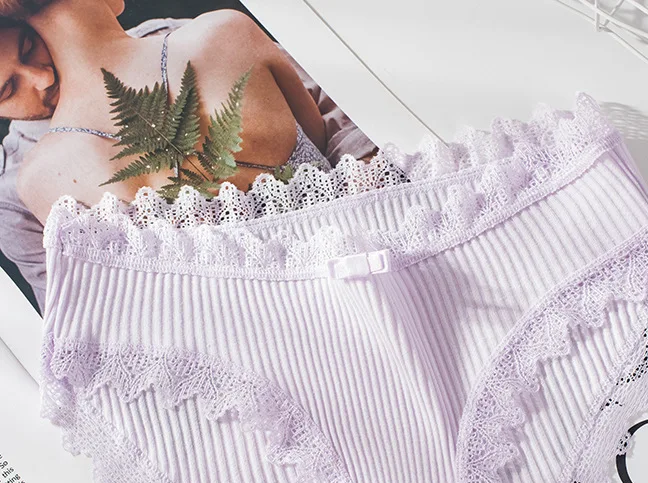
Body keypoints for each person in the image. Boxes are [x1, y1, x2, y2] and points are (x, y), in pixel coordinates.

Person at [0, 8, 377, 313]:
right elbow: (81, 312)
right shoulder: (19, 194)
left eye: (30, 48)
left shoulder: (183, 36)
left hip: (362, 254)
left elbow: (335, 112)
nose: (41, 79)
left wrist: (361, 193)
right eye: (8, 89)